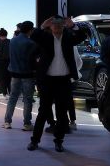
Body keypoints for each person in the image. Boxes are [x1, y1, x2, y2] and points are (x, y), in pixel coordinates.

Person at [28, 16, 87, 153]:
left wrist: (73, 26)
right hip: (47, 81)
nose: (57, 27)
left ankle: (59, 141)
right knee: (43, 111)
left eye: (60, 25)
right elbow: (34, 36)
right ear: (50, 26)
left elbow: (82, 36)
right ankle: (35, 141)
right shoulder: (45, 38)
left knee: (61, 113)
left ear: (64, 26)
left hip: (63, 81)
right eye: (54, 25)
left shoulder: (68, 39)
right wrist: (42, 26)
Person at [3, 21, 37, 130]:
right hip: (27, 74)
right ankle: (27, 123)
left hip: (14, 74)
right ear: (30, 30)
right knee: (27, 99)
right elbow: (33, 59)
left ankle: (7, 122)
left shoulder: (12, 41)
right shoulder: (31, 43)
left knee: (12, 98)